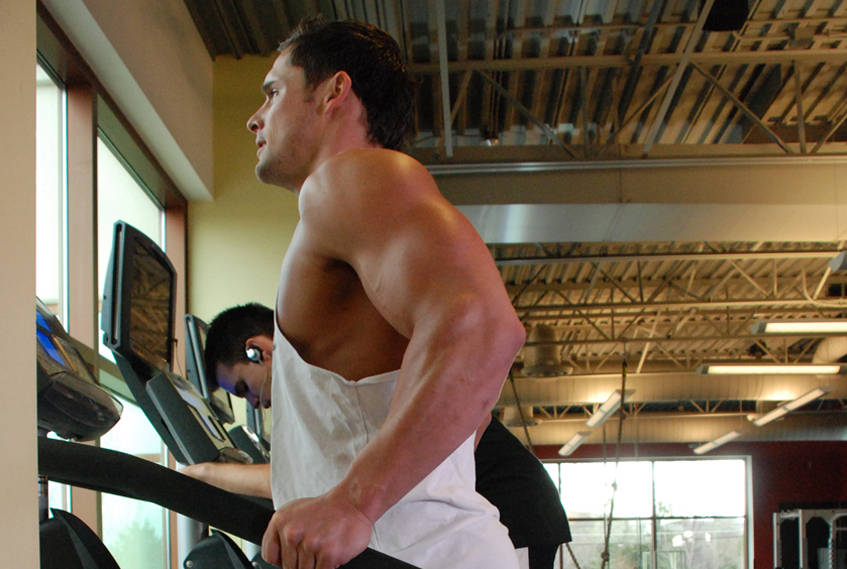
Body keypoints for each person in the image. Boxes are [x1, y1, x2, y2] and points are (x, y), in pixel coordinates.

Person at [240, 16, 527, 569]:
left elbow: (484, 328)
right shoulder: (346, 207)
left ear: (334, 92)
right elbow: (471, 407)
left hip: (408, 556)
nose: (255, 117)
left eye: (273, 93)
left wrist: (353, 503)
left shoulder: (348, 179)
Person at [183, 303, 572, 569]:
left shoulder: (321, 360)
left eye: (244, 388)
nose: (256, 403)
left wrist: (207, 474)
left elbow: (315, 476)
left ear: (259, 351)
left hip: (513, 505)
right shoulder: (311, 383)